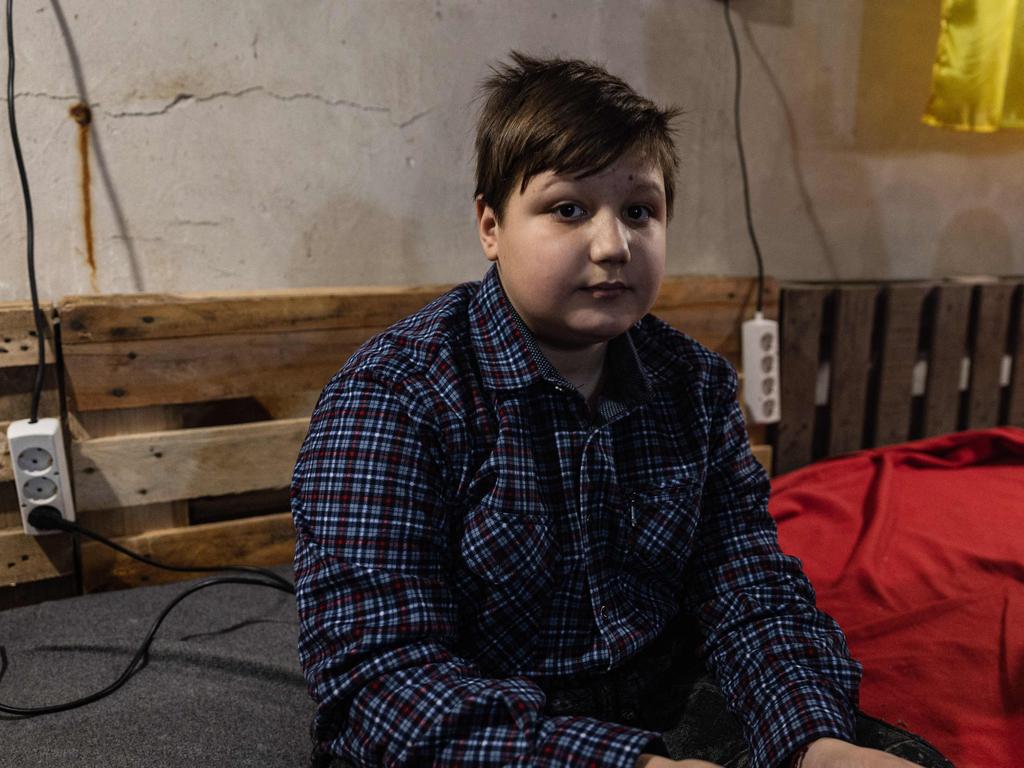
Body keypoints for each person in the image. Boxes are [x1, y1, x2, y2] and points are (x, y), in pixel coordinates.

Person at [291, 52, 953, 768]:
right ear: (490, 226)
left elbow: (748, 588)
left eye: (640, 211)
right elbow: (379, 684)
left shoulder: (692, 384)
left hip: (662, 699)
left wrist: (814, 740)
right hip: (489, 723)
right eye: (568, 209)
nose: (613, 246)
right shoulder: (395, 397)